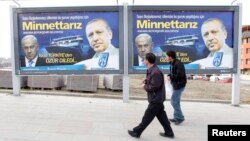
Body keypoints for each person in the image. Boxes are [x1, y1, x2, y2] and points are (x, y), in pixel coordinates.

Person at [128, 53, 174, 139]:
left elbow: (154, 86)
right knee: (162, 117)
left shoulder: (155, 72)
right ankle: (169, 132)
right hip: (157, 98)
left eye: (145, 59)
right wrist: (146, 80)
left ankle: (137, 132)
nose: (144, 61)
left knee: (147, 116)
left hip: (156, 99)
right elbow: (152, 80)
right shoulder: (152, 70)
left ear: (148, 61)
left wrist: (144, 86)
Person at [166, 50, 187, 125]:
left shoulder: (178, 64)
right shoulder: (172, 63)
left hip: (179, 85)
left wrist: (171, 77)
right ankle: (176, 117)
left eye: (166, 56)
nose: (166, 57)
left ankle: (180, 117)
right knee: (176, 102)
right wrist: (169, 75)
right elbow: (173, 73)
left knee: (173, 101)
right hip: (176, 85)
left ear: (170, 57)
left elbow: (180, 75)